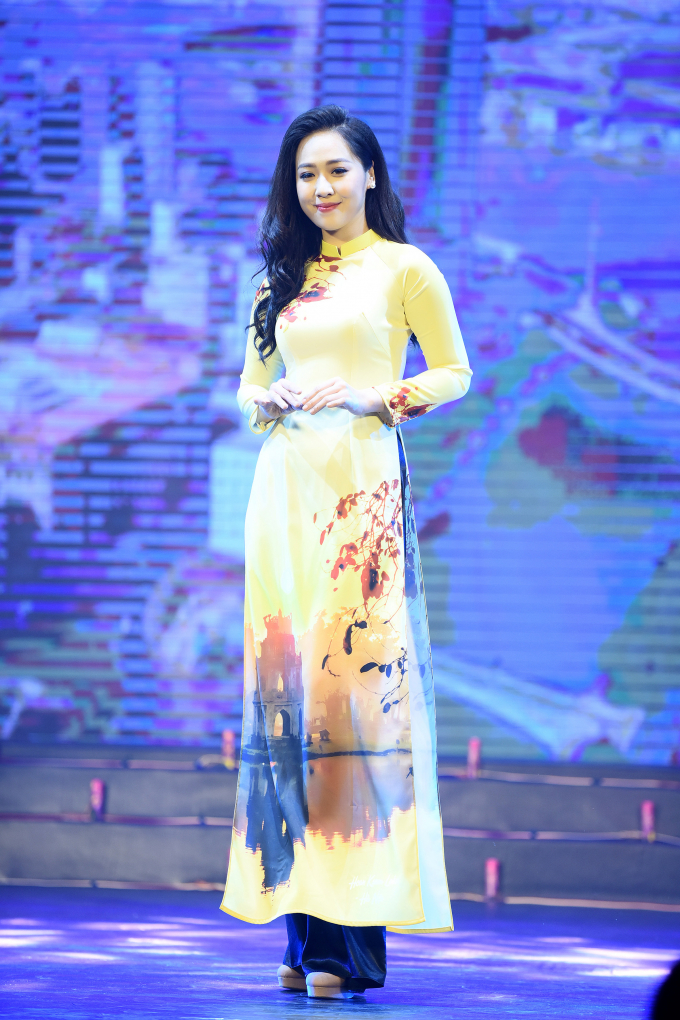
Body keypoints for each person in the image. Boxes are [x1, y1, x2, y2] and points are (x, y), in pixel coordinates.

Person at [220, 104, 472, 999]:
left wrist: (375, 397)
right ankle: (301, 937)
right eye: (305, 175)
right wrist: (269, 400)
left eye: (335, 170)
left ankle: (347, 950)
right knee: (286, 706)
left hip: (360, 498)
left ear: (370, 173)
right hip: (284, 493)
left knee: (355, 709)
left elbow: (455, 372)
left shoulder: (405, 267)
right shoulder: (278, 281)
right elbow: (249, 387)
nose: (320, 188)